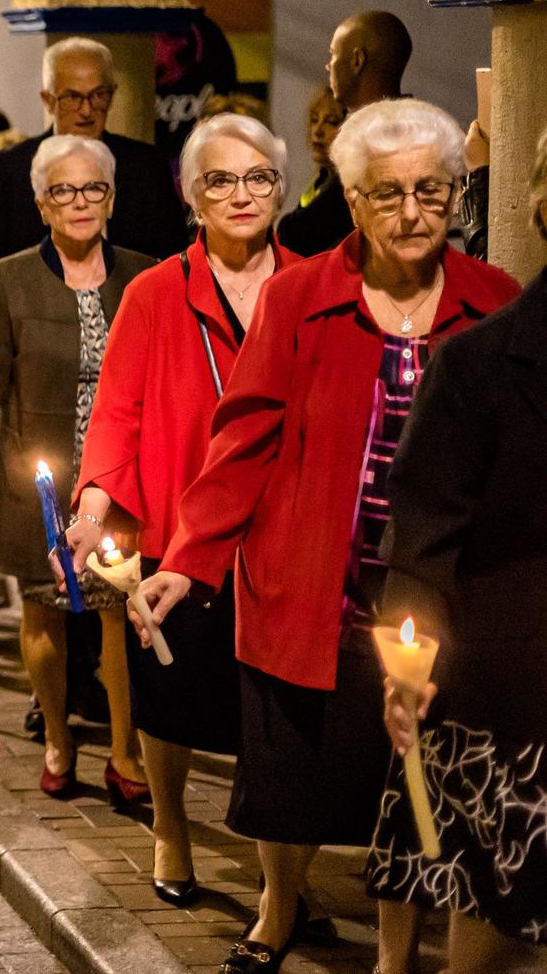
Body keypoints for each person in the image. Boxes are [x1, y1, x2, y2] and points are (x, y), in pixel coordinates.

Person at [141, 99, 519, 974]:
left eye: (432, 189)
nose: (412, 211)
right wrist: (188, 561)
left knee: (414, 785)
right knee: (297, 778)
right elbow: (243, 443)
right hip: (316, 579)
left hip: (440, 596)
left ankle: (396, 953)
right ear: (351, 201)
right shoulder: (300, 296)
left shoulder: (492, 302)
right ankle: (278, 906)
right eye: (387, 195)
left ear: (458, 195)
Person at [68, 114, 302, 906]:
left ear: (282, 186)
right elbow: (116, 413)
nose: (242, 195)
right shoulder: (155, 290)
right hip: (175, 527)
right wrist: (97, 498)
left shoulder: (310, 285)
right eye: (221, 180)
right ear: (191, 195)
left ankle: (282, 880)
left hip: (282, 536)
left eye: (258, 177)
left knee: (279, 714)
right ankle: (170, 824)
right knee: (169, 697)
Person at [0, 136, 153, 800]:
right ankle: (58, 736)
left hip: (119, 480)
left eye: (93, 188)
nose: (80, 202)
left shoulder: (147, 276)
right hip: (36, 484)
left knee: (117, 613)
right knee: (44, 614)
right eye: (64, 190)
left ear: (112, 197)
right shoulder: (6, 278)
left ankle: (126, 751)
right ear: (42, 203)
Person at [367, 125, 547, 972]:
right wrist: (410, 671)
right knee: (492, 941)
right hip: (507, 704)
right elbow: (422, 544)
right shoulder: (477, 367)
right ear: (543, 208)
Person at [0, 38, 187, 304]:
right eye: (73, 97)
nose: (86, 110)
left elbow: (174, 264)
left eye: (98, 95)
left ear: (112, 95)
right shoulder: (8, 171)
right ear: (47, 100)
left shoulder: (146, 168)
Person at [278, 85, 352, 256]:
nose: (317, 130)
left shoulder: (345, 187)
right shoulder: (321, 179)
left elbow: (294, 237)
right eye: (314, 119)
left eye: (331, 121)